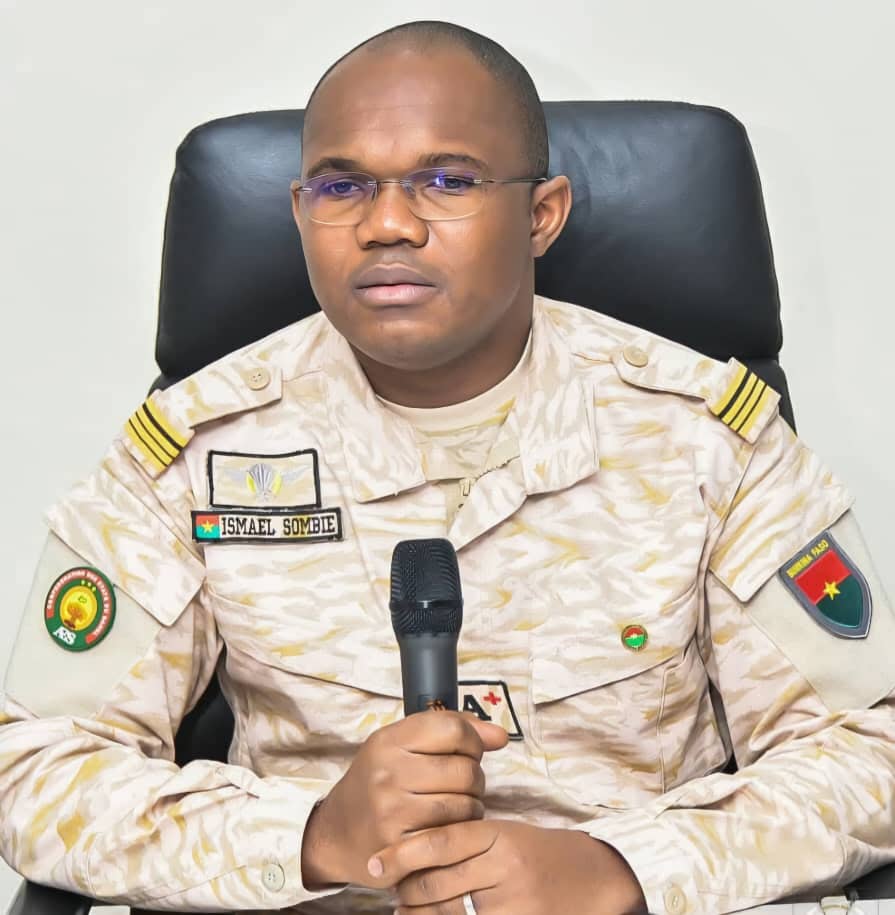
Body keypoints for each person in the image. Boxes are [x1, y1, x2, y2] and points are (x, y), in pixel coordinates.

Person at [2, 19, 894, 915]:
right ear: (300, 212)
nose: (387, 224)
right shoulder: (196, 447)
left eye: (448, 181)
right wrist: (308, 837)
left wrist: (621, 867)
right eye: (341, 186)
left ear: (540, 214)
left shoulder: (707, 437)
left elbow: (870, 750)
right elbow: (31, 765)